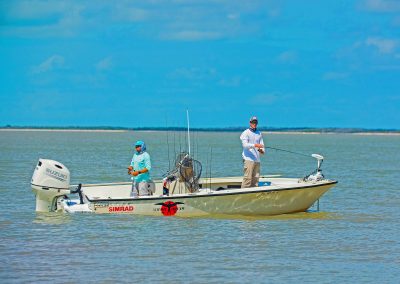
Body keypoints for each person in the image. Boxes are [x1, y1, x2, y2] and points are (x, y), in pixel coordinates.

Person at [240, 116, 265, 188]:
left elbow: (262, 145)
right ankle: (243, 194)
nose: (254, 124)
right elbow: (245, 145)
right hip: (248, 159)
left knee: (256, 179)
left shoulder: (259, 133)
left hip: (257, 160)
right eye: (253, 122)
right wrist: (255, 145)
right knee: (247, 179)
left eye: (256, 122)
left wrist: (262, 151)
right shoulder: (245, 132)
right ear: (250, 123)